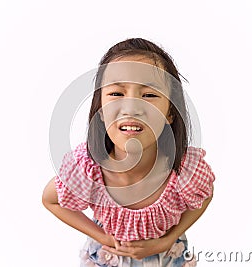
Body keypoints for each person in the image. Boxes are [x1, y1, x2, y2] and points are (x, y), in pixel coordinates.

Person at [42, 38, 216, 267]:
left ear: (170, 113)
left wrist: (168, 239)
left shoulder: (184, 172)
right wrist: (102, 237)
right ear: (100, 110)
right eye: (116, 94)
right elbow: (50, 200)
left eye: (149, 95)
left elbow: (206, 195)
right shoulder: (87, 170)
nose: (132, 107)